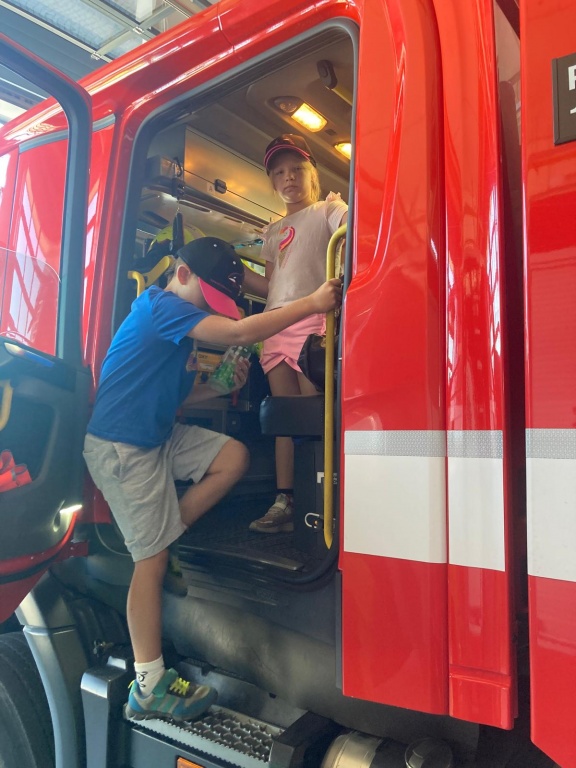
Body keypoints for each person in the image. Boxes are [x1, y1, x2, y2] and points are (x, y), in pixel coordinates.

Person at [83, 236, 341, 723]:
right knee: (150, 562)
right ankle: (149, 686)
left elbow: (179, 398)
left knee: (233, 457)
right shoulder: (159, 306)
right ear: (181, 274)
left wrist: (221, 387)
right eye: (210, 297)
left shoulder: (176, 328)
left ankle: (165, 536)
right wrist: (311, 303)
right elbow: (240, 332)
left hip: (156, 436)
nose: (211, 310)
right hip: (123, 447)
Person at [246, 134, 348, 534]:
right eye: (279, 172)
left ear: (312, 174)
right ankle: (285, 499)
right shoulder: (272, 231)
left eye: (296, 169)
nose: (288, 177)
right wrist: (231, 275)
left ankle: (320, 494)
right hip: (275, 323)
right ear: (272, 182)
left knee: (315, 411)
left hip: (313, 319)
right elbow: (272, 286)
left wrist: (343, 211)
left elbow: (351, 228)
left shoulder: (327, 209)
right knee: (283, 415)